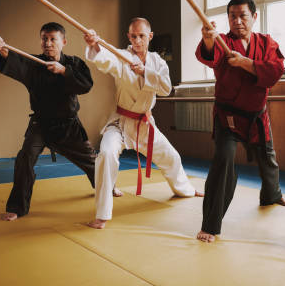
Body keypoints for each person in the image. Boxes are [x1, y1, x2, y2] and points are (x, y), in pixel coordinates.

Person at [84, 17, 202, 230]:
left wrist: (144, 72)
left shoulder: (158, 62)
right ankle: (102, 214)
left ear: (150, 36)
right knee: (106, 153)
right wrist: (94, 45)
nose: (137, 40)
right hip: (120, 122)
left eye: (141, 36)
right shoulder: (122, 57)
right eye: (133, 36)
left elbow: (166, 88)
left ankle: (185, 189)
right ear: (128, 37)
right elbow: (105, 60)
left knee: (170, 156)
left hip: (144, 123)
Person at [195, 0, 285, 243]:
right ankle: (210, 224)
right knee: (223, 160)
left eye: (243, 16)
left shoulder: (266, 42)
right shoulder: (222, 41)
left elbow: (275, 71)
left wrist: (246, 63)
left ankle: (272, 194)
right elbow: (210, 56)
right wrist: (208, 40)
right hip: (227, 116)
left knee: (267, 157)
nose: (237, 21)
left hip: (257, 115)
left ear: (254, 17)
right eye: (232, 16)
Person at [0, 22, 96, 221]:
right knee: (25, 158)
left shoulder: (73, 63)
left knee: (92, 162)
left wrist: (64, 71)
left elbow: (86, 85)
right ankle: (17, 207)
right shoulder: (34, 63)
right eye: (44, 39)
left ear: (63, 42)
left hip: (68, 126)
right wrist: (3, 49)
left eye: (52, 39)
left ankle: (106, 188)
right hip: (41, 125)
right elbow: (16, 62)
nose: (48, 43)